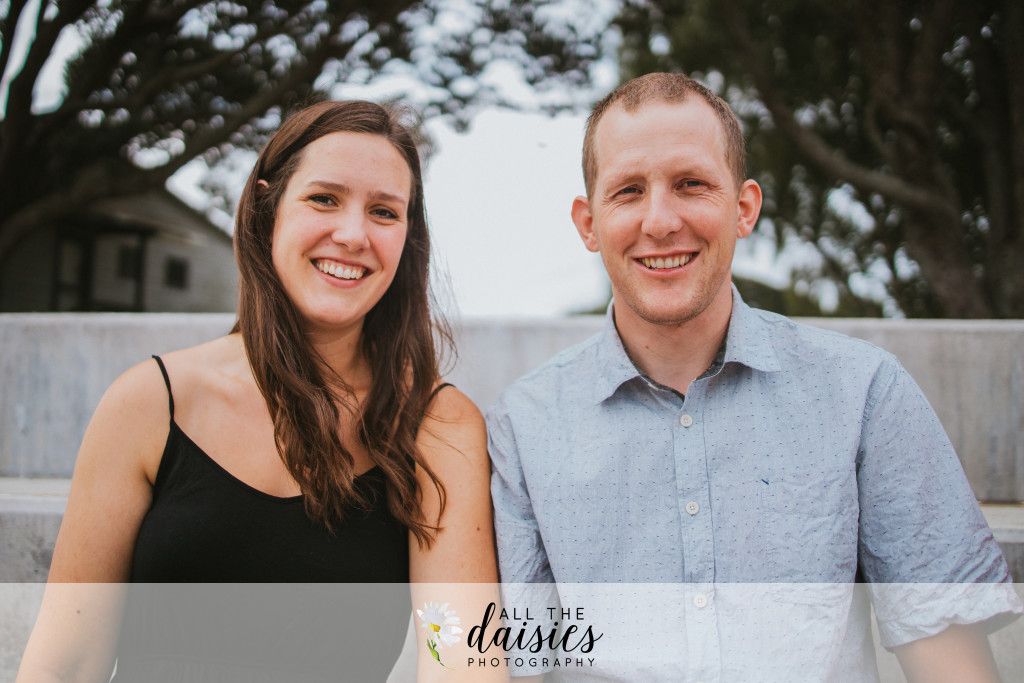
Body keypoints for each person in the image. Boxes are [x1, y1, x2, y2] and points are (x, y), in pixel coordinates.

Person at [487, 73, 1022, 681]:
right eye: (629, 191)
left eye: (691, 184)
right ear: (588, 224)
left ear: (744, 208)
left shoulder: (863, 392)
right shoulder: (523, 427)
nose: (659, 221)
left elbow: (951, 664)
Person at [17, 100, 499, 682]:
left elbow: (461, 661)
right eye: (324, 199)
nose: (353, 235)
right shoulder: (151, 402)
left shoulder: (438, 426)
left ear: (408, 237)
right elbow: (64, 665)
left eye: (384, 212)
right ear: (267, 209)